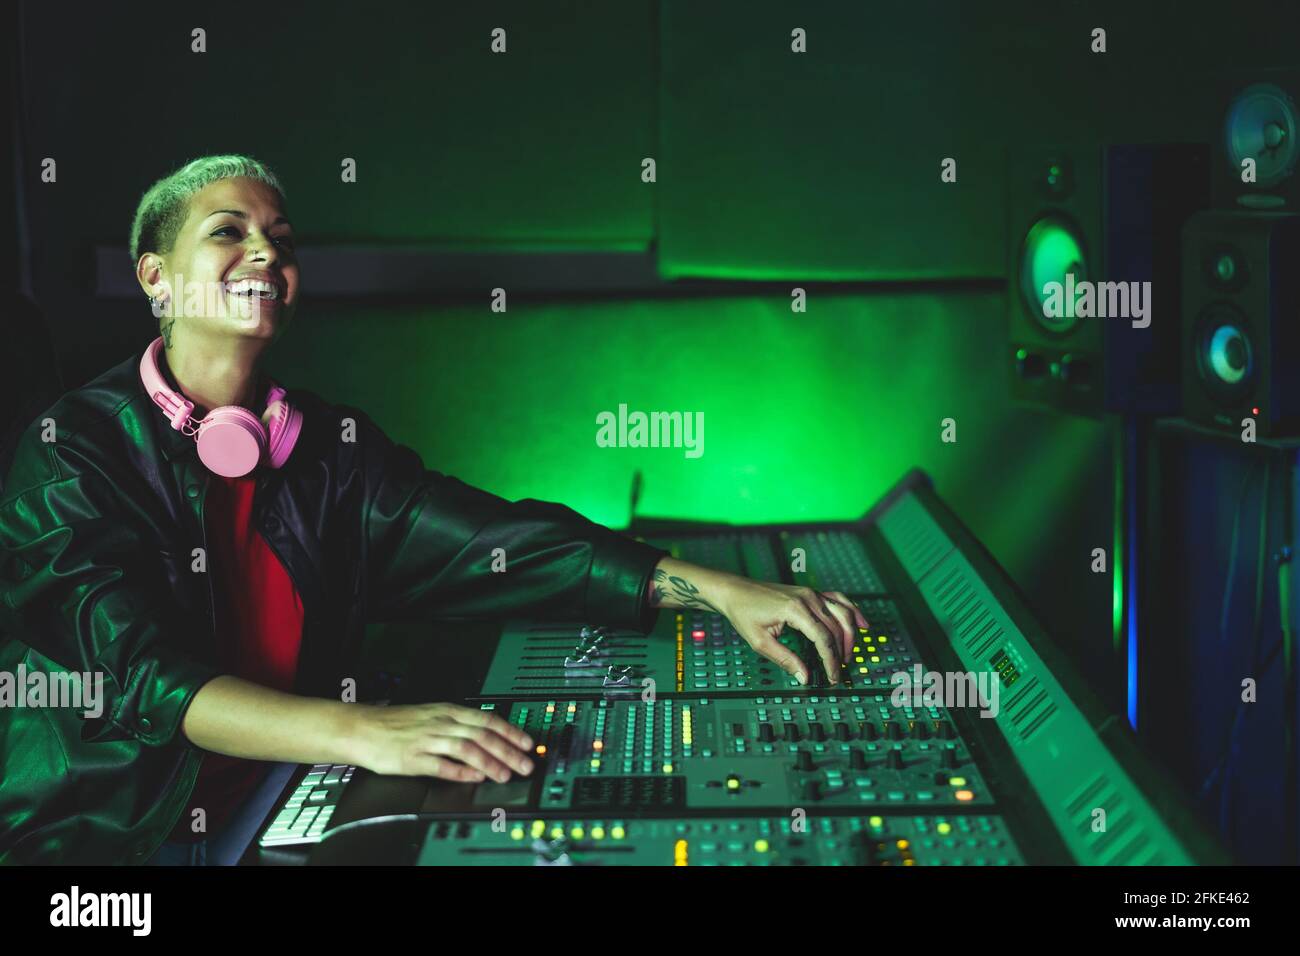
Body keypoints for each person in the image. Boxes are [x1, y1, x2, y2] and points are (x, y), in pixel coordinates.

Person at [0, 155, 867, 865]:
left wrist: (711, 590)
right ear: (156, 275)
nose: (265, 254)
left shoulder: (326, 447)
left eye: (281, 240)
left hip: (282, 784)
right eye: (229, 232)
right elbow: (147, 679)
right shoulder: (70, 452)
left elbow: (497, 543)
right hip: (112, 844)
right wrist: (364, 734)